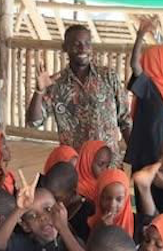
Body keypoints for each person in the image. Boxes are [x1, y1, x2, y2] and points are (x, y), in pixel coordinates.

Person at [26, 25, 131, 161]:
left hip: (108, 162)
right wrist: (39, 91)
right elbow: (33, 122)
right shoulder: (57, 84)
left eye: (87, 43)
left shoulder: (108, 77)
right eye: (76, 44)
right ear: (65, 47)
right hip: (75, 163)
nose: (83, 49)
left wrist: (136, 156)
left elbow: (124, 119)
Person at [125, 18, 163, 172]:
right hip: (145, 159)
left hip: (162, 158)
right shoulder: (149, 86)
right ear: (158, 63)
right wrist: (140, 35)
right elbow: (135, 64)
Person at [88, 168, 150, 242]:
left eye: (119, 199)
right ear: (99, 197)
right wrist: (98, 230)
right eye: (107, 198)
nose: (112, 205)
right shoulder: (86, 218)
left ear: (126, 199)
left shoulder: (139, 225)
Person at [44, 161, 92, 240]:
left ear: (72, 193)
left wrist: (64, 227)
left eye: (56, 198)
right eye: (47, 195)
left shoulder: (87, 214)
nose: (50, 201)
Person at [76, 140, 114, 204]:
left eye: (107, 166)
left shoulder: (103, 187)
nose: (104, 170)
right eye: (100, 164)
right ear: (87, 161)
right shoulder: (76, 192)